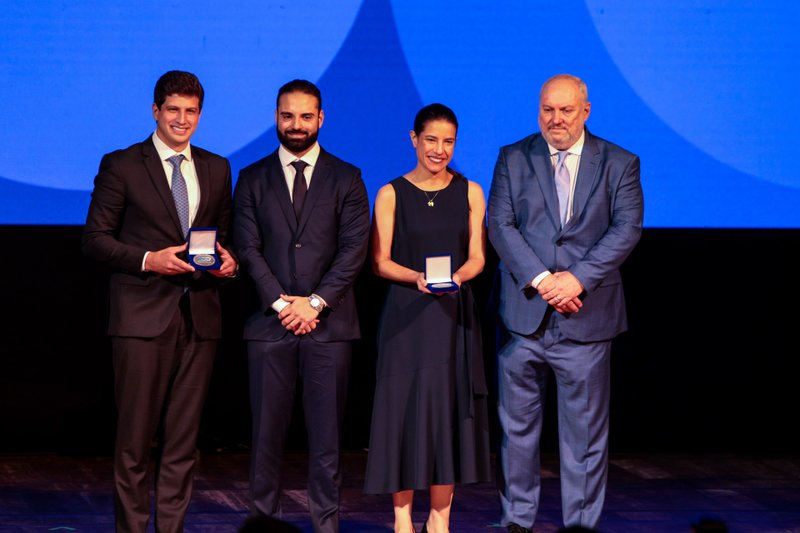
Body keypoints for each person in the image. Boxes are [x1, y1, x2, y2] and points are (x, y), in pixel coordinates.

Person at [82, 70, 238, 532]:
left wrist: (230, 264)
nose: (182, 119)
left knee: (183, 444)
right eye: (173, 110)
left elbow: (223, 237)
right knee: (134, 443)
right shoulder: (123, 164)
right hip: (141, 319)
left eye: (191, 111)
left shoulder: (216, 167)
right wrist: (150, 260)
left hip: (200, 317)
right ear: (156, 111)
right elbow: (95, 240)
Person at [487, 74, 644, 532]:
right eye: (547, 110)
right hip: (523, 319)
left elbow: (626, 228)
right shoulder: (513, 157)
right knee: (516, 433)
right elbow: (500, 225)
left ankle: (581, 527)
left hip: (586, 319)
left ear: (585, 111)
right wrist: (543, 281)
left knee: (585, 439)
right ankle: (517, 521)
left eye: (566, 110)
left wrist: (576, 280)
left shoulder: (620, 162)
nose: (555, 119)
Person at [232, 79, 370, 533]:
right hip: (268, 327)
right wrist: (281, 304)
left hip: (328, 327)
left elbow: (353, 250)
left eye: (305, 116)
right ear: (276, 117)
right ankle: (262, 525)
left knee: (327, 443)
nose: (296, 125)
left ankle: (325, 526)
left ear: (321, 119)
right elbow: (247, 248)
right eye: (287, 115)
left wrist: (313, 304)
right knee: (265, 440)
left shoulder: (347, 177)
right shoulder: (252, 178)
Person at [364, 103, 492, 533]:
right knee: (402, 413)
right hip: (406, 318)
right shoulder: (391, 193)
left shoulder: (471, 191)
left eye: (448, 141)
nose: (440, 149)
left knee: (446, 413)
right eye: (432, 140)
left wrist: (458, 277)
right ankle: (402, 518)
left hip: (453, 315)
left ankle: (440, 519)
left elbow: (478, 257)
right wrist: (417, 278)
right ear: (414, 139)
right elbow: (380, 261)